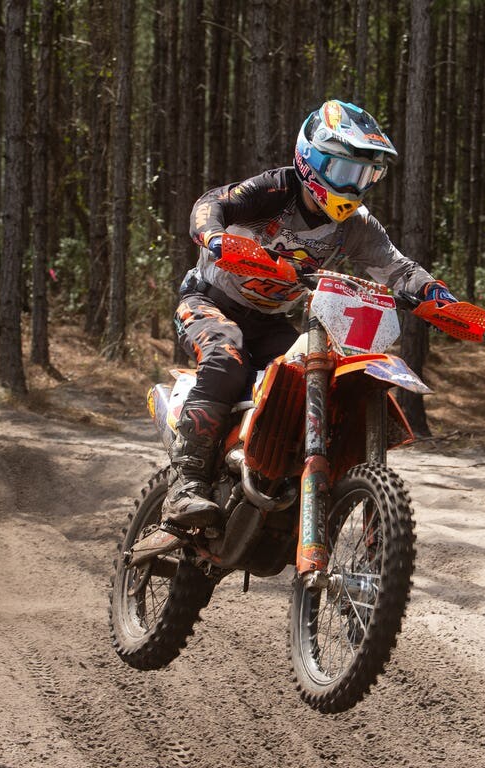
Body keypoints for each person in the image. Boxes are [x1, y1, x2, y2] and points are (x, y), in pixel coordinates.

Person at [163, 99, 458, 528]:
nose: (353, 187)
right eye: (344, 172)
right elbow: (213, 203)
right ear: (310, 160)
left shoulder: (356, 225)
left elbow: (398, 267)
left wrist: (435, 294)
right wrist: (214, 236)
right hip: (209, 302)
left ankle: (285, 479)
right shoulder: (273, 191)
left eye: (364, 175)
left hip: (270, 322)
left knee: (314, 376)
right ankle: (185, 485)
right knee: (227, 357)